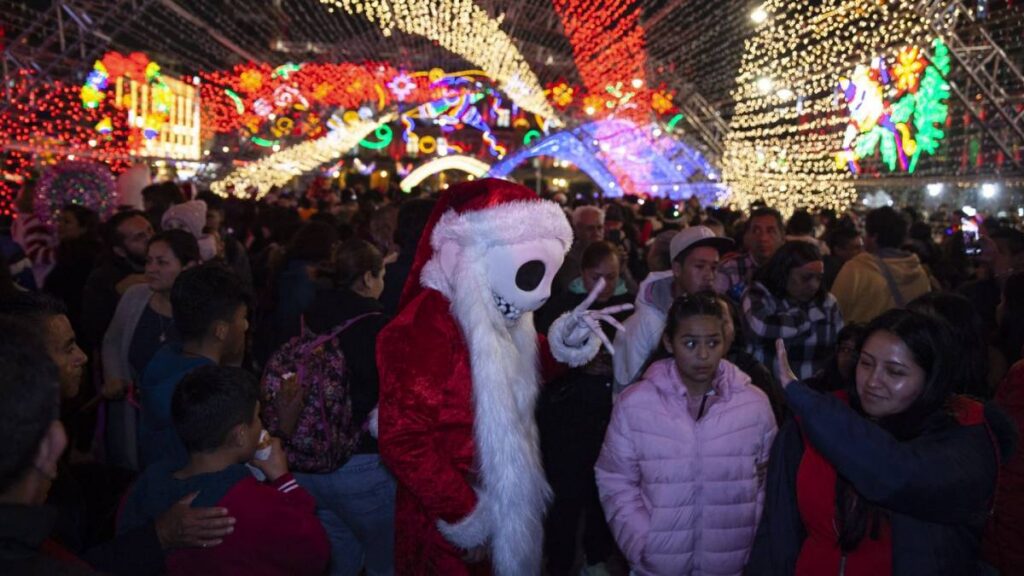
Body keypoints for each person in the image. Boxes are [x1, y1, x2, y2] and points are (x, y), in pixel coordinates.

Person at [376, 180, 629, 575]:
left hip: (505, 507)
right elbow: (403, 439)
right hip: (448, 526)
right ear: (467, 255)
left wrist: (562, 343)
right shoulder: (426, 327)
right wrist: (466, 515)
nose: (543, 296)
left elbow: (519, 367)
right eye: (533, 275)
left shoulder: (500, 309)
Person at [748, 310, 1017, 576]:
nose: (873, 381)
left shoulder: (964, 435)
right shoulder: (818, 420)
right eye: (866, 363)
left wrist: (807, 402)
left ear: (931, 379)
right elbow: (776, 534)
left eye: (895, 372)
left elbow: (897, 474)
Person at [596, 293, 777, 576]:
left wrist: (750, 539)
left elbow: (768, 482)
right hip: (657, 564)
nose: (703, 355)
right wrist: (641, 542)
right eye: (690, 343)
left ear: (726, 343)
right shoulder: (635, 403)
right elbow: (615, 478)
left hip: (730, 564)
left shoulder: (754, 405)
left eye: (713, 343)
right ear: (669, 342)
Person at [119, 365, 329, 575]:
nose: (260, 424)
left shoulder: (148, 484)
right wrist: (284, 481)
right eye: (257, 417)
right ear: (240, 435)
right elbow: (316, 553)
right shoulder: (251, 503)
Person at [283, 239, 396, 576]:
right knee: (385, 563)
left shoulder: (305, 317)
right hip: (362, 464)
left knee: (339, 559)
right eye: (382, 274)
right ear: (366, 278)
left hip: (307, 462)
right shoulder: (378, 326)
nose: (383, 282)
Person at [534, 241, 634, 576]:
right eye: (597, 277)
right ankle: (559, 560)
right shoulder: (561, 306)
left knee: (601, 493)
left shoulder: (628, 305)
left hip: (609, 415)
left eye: (612, 277)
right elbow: (547, 355)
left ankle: (596, 556)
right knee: (566, 496)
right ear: (582, 275)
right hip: (568, 418)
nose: (604, 286)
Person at [101, 230, 201, 469]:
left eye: (162, 262)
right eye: (148, 261)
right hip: (135, 413)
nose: (150, 269)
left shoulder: (201, 310)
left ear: (188, 267)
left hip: (181, 422)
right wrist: (116, 376)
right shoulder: (135, 297)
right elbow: (113, 341)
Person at [138, 264, 250, 468]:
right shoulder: (211, 392)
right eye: (242, 318)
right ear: (221, 331)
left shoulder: (162, 361)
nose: (245, 326)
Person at [614, 226, 733, 390]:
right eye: (699, 266)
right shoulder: (643, 324)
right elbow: (628, 394)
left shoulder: (720, 312)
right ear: (677, 269)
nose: (709, 276)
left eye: (713, 267)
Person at [743, 241, 844, 381]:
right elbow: (762, 327)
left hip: (815, 390)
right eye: (806, 278)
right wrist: (807, 318)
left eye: (819, 278)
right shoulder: (760, 294)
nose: (814, 285)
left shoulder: (828, 303)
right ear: (784, 273)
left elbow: (838, 347)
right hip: (769, 389)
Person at [830, 206, 931, 324]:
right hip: (907, 340)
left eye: (866, 233)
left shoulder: (856, 269)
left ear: (874, 237)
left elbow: (835, 311)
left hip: (866, 340)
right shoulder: (918, 271)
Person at [81, 210, 155, 352]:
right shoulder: (105, 280)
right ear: (120, 251)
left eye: (150, 230)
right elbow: (95, 331)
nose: (151, 238)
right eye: (139, 237)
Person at [716, 207, 785, 302]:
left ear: (782, 237)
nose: (763, 238)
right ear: (746, 237)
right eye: (756, 231)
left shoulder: (791, 270)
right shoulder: (729, 269)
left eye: (771, 231)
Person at [553, 205, 606, 294]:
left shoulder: (611, 254)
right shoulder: (568, 260)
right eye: (590, 228)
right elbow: (573, 291)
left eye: (600, 228)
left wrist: (622, 270)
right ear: (577, 229)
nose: (596, 233)